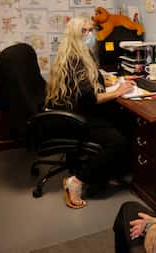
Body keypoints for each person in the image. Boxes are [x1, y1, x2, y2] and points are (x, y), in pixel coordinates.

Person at [44, 16, 135, 209]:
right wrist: (118, 91)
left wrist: (105, 82)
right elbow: (90, 99)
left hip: (76, 111)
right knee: (117, 141)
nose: (91, 34)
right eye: (84, 31)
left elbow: (87, 86)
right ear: (75, 35)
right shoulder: (76, 60)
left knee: (123, 121)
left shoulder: (75, 53)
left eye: (91, 30)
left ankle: (109, 172)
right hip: (77, 118)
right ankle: (77, 180)